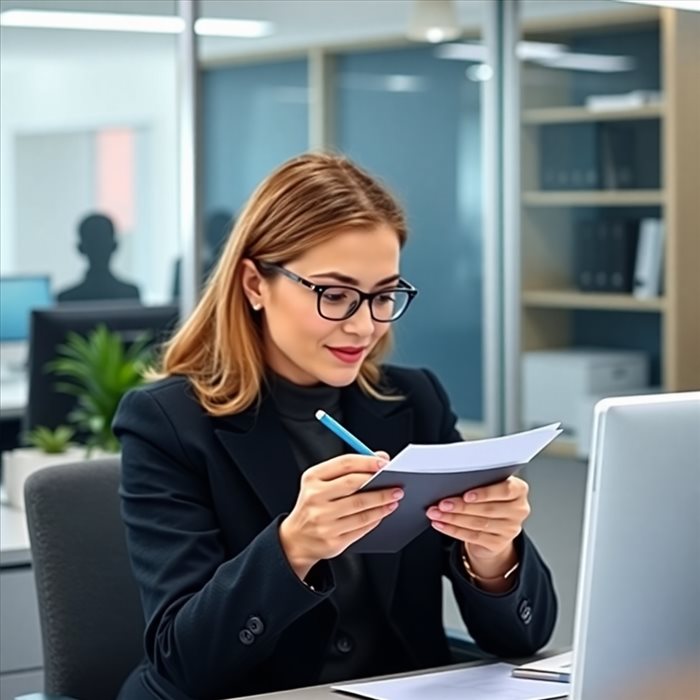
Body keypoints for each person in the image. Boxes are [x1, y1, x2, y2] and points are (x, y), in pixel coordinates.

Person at [113, 153, 557, 700]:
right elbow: (182, 664)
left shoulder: (414, 400)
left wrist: (493, 556)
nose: (364, 324)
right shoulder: (170, 424)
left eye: (383, 295)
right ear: (255, 284)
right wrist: (293, 547)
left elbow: (525, 635)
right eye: (335, 294)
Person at [57, 213, 141, 303]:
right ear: (115, 246)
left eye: (101, 243)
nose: (98, 248)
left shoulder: (67, 298)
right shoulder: (129, 294)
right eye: (94, 244)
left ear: (80, 248)